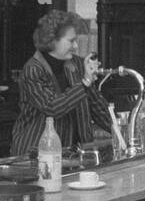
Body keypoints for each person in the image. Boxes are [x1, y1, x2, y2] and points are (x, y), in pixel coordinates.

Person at [10, 10, 114, 156]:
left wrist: (122, 132)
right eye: (71, 41)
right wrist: (85, 82)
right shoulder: (33, 69)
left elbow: (97, 107)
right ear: (52, 40)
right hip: (35, 154)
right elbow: (53, 107)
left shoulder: (77, 63)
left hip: (72, 154)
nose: (76, 46)